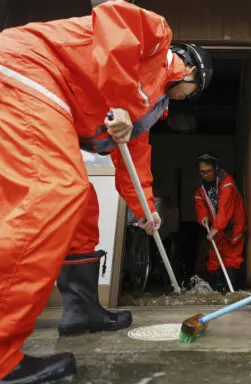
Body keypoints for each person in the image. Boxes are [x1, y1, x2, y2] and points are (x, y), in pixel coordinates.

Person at [0, 0, 213, 382]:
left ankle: (81, 311)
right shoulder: (157, 41)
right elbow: (113, 16)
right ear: (192, 70)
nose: (187, 99)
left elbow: (134, 166)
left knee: (82, 206)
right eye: (193, 92)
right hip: (27, 67)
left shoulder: (148, 110)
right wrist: (119, 103)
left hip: (50, 93)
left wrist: (147, 211)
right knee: (53, 191)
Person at [194, 153, 247, 292]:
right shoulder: (201, 188)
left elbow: (225, 208)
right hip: (217, 227)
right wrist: (203, 217)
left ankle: (230, 292)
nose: (205, 175)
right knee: (214, 259)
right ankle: (218, 292)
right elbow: (200, 204)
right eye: (202, 172)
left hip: (232, 226)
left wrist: (216, 228)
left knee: (231, 258)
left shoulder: (227, 182)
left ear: (216, 168)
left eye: (208, 171)